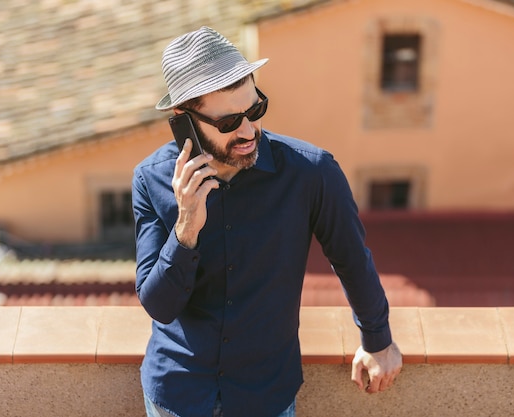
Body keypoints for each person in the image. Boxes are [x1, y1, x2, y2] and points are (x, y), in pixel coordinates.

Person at [133, 26, 402, 417]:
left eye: (255, 109)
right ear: (183, 121)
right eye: (228, 122)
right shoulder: (150, 179)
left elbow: (351, 259)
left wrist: (378, 340)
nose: (247, 131)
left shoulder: (312, 172)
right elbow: (158, 304)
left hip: (265, 396)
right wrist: (186, 227)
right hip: (177, 393)